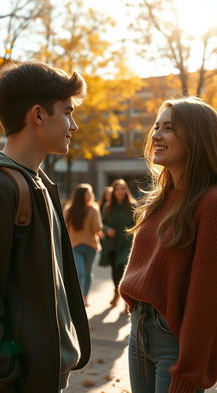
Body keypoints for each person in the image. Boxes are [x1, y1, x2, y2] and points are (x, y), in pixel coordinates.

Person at [0, 61, 91, 393]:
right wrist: (2, 380)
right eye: (67, 112)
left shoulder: (36, 184)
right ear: (37, 115)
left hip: (43, 377)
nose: (73, 125)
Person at [119, 96, 217, 393]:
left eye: (169, 128)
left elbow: (206, 299)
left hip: (172, 339)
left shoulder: (210, 204)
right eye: (156, 127)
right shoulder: (161, 198)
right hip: (139, 329)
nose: (156, 136)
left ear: (197, 137)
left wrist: (187, 374)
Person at [99, 178, 137, 310]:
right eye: (117, 189)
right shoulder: (107, 207)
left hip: (128, 244)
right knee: (115, 271)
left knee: (124, 270)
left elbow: (139, 224)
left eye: (123, 189)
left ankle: (127, 301)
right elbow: (102, 223)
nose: (120, 191)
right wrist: (107, 229)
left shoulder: (133, 205)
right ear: (114, 191)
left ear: (126, 190)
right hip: (113, 244)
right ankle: (116, 293)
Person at [64, 183, 102, 307]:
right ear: (82, 195)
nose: (92, 195)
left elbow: (96, 228)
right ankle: (79, 298)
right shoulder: (70, 210)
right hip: (76, 246)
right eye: (89, 192)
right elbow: (97, 228)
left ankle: (85, 297)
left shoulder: (93, 209)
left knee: (86, 272)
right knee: (81, 273)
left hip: (90, 246)